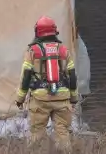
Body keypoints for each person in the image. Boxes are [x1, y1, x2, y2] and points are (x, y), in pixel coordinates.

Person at [14, 15, 79, 150]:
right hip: (62, 99)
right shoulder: (64, 50)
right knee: (63, 133)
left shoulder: (32, 51)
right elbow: (72, 76)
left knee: (36, 135)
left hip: (40, 99)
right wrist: (74, 98)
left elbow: (26, 77)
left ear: (37, 32)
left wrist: (20, 99)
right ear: (54, 31)